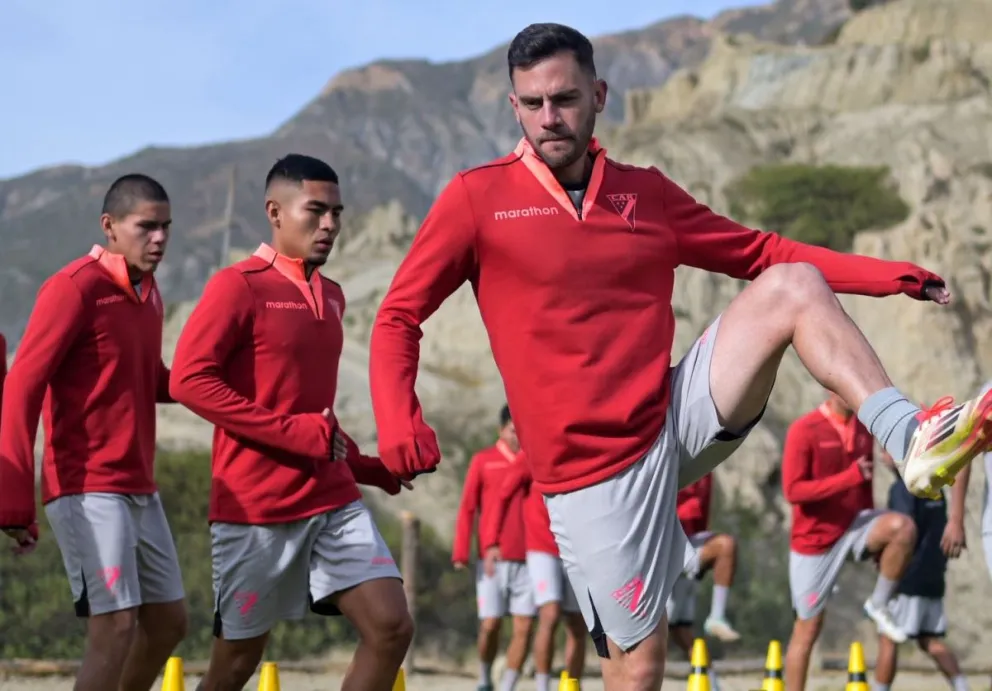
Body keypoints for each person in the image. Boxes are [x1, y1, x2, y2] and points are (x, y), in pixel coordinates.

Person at [366, 20, 992, 691]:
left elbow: (760, 251)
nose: (550, 117)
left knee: (791, 286)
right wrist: (398, 419)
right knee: (637, 670)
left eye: (566, 98)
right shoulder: (477, 198)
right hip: (590, 473)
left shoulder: (646, 193)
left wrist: (885, 274)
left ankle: (909, 436)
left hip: (671, 414)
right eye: (533, 103)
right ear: (513, 106)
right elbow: (398, 314)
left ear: (599, 94)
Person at [169, 153, 413, 691]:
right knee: (236, 664)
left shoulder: (332, 295)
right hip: (253, 506)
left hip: (331, 500)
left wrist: (373, 468)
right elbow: (188, 380)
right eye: (316, 211)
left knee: (391, 627)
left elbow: (317, 416)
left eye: (337, 213)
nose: (330, 225)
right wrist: (294, 434)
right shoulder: (238, 286)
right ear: (275, 212)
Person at [0, 174, 188, 691]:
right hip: (86, 488)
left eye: (166, 227)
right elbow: (21, 386)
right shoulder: (73, 287)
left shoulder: (150, 295)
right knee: (115, 627)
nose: (160, 238)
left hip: (139, 487)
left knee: (169, 622)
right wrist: (15, 499)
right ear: (109, 226)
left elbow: (153, 379)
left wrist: (216, 379)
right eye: (146, 226)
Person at [782, 393, 919, 691]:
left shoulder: (861, 427)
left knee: (902, 528)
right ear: (828, 387)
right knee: (807, 629)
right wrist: (848, 478)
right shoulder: (804, 429)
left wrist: (876, 541)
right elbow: (793, 491)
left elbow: (864, 486)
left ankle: (878, 604)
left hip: (856, 525)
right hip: (814, 540)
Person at [484, 416, 587, 691]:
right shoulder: (532, 453)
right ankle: (540, 685)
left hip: (576, 549)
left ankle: (572, 685)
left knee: (578, 624)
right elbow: (503, 496)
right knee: (549, 614)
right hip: (542, 548)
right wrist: (492, 541)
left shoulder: (584, 451)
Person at [452, 405, 535, 691]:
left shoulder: (535, 461)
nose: (517, 437)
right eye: (513, 431)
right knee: (491, 625)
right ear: (501, 429)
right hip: (492, 559)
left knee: (525, 626)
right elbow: (468, 508)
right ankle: (485, 677)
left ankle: (508, 686)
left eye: (521, 432)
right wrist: (462, 551)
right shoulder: (483, 461)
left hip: (531, 557)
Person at [871, 451, 969, 691]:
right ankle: (962, 686)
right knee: (929, 639)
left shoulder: (903, 489)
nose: (883, 457)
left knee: (888, 636)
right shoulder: (934, 487)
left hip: (908, 576)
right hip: (933, 575)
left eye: (888, 450)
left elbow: (902, 534)